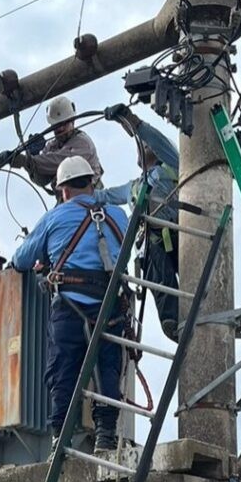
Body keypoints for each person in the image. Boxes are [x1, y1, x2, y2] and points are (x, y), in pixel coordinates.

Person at [11, 155, 129, 453]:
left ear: (61, 190)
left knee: (63, 371)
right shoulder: (118, 215)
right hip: (111, 307)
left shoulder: (56, 217)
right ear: (93, 183)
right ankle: (105, 435)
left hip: (70, 304)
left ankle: (60, 436)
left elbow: (21, 260)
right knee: (108, 368)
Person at [94, 104, 181, 340]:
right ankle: (172, 321)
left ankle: (202, 310)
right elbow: (103, 197)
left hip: (180, 236)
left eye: (146, 145)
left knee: (196, 276)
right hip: (154, 244)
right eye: (141, 146)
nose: (144, 147)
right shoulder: (133, 187)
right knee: (154, 265)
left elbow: (158, 140)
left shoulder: (172, 166)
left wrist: (133, 122)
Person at [0, 96, 104, 195]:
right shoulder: (53, 146)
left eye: (64, 124)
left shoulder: (82, 143)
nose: (60, 129)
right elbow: (42, 179)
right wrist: (34, 154)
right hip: (67, 200)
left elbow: (57, 162)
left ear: (73, 121)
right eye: (56, 125)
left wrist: (25, 160)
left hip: (91, 197)